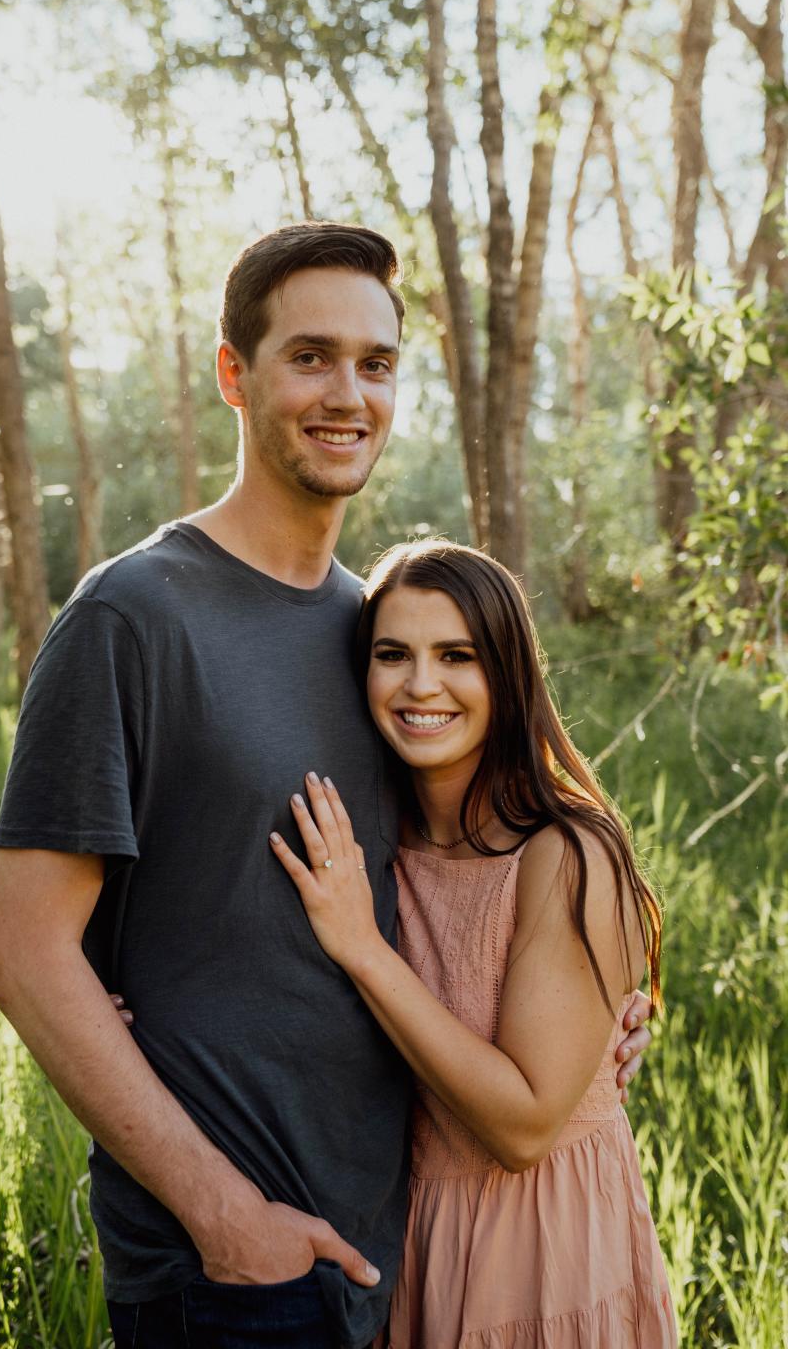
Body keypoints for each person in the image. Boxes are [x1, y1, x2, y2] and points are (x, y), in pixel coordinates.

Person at [0, 221, 653, 1349]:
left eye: (376, 363)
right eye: (310, 356)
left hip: (403, 1251)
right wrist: (226, 1217)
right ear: (233, 374)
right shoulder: (134, 616)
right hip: (232, 1272)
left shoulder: (381, 641)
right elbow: (25, 956)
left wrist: (595, 1015)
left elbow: (469, 872)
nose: (349, 393)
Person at [270, 538, 677, 1347]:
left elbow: (525, 1129)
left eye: (457, 655)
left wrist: (362, 948)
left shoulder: (563, 853)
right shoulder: (378, 841)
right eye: (394, 655)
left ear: (508, 674)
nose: (422, 685)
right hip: (410, 1238)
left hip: (544, 1252)